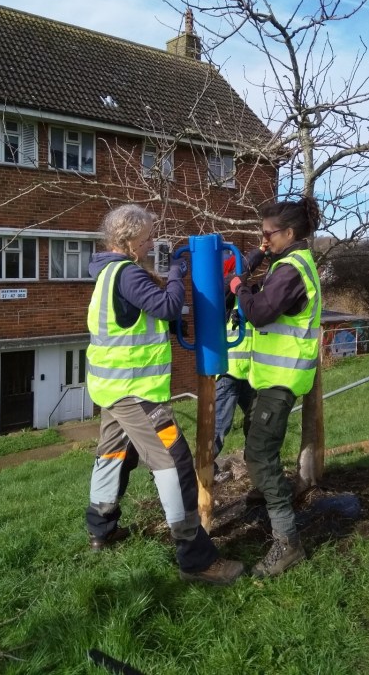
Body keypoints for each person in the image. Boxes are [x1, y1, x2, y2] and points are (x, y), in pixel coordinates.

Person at [85, 204, 244, 585]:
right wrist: (176, 273)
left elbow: (143, 317)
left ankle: (101, 530)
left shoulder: (107, 273)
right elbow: (170, 303)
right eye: (148, 238)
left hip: (112, 388)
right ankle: (196, 559)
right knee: (174, 463)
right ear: (128, 241)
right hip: (134, 392)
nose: (152, 243)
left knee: (113, 454)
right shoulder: (125, 273)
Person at [229, 196, 322, 577]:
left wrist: (239, 287)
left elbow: (260, 312)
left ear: (290, 232)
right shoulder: (288, 263)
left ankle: (287, 542)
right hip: (271, 377)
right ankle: (265, 496)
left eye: (268, 234)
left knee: (259, 453)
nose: (263, 240)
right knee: (257, 439)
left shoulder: (292, 270)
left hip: (281, 380)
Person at [213, 246, 268, 481]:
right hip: (228, 373)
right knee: (218, 427)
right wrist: (259, 252)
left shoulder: (250, 294)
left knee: (256, 422)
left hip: (251, 373)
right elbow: (237, 275)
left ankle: (254, 466)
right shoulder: (223, 295)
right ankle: (203, 472)